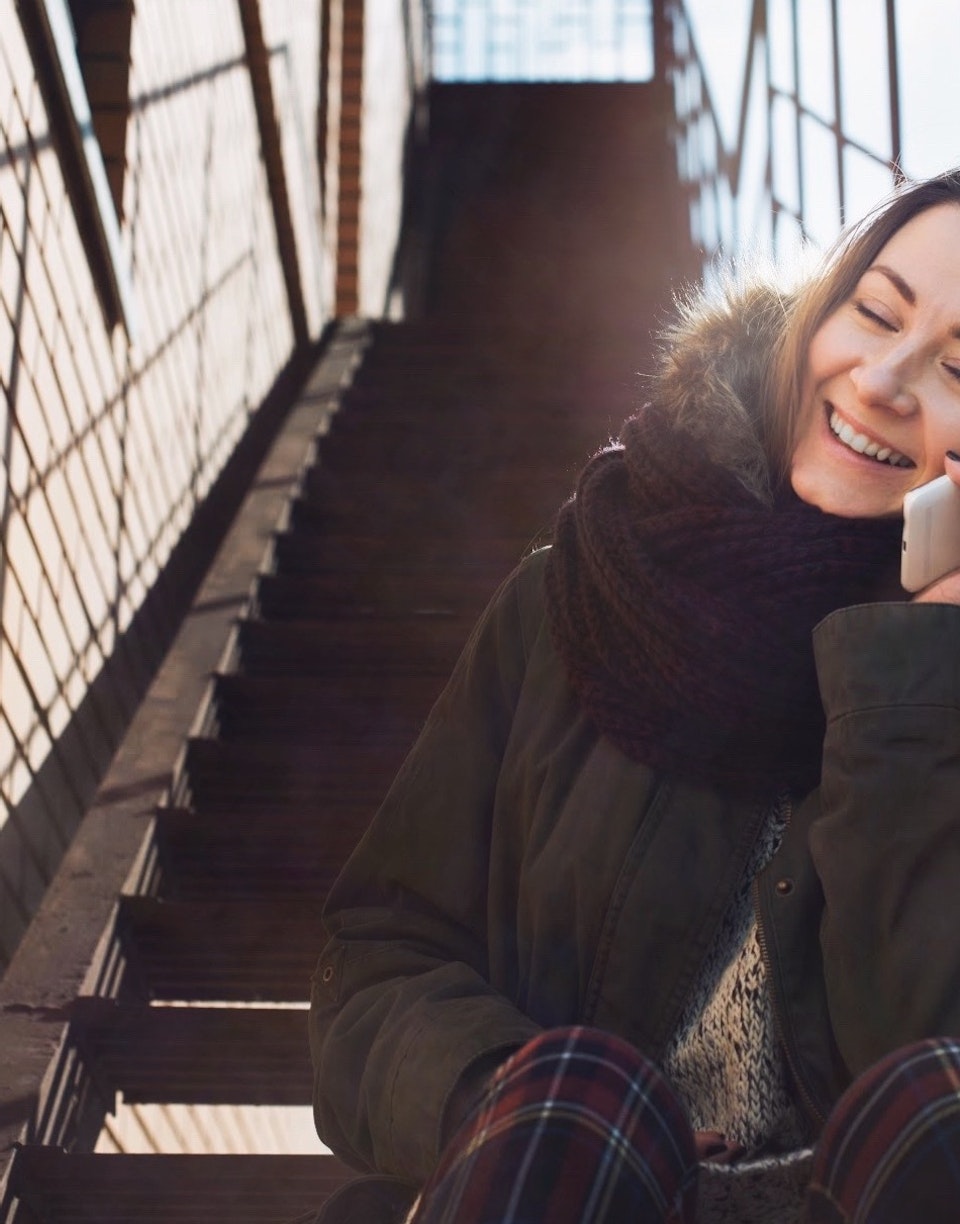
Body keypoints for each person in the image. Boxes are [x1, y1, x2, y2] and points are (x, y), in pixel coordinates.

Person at [308, 171, 960, 1223]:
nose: (884, 378)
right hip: (542, 1181)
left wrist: (926, 668)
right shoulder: (581, 590)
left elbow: (923, 1075)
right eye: (874, 311)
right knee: (587, 1101)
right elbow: (378, 963)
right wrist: (500, 1095)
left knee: (934, 1110)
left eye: (959, 371)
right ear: (817, 315)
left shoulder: (942, 692)